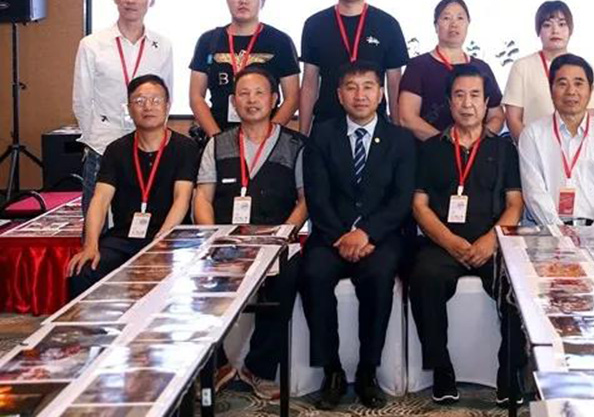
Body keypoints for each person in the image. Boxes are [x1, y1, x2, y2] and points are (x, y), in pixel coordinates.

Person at [409, 64, 528, 407]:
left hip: (492, 243)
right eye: (459, 95)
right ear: (449, 102)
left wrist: (491, 240)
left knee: (516, 286)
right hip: (443, 244)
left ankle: (509, 374)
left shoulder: (504, 150)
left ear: (487, 101)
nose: (467, 103)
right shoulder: (431, 149)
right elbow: (419, 206)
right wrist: (450, 241)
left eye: (475, 95)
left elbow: (515, 204)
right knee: (424, 278)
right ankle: (442, 370)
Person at [300, 61, 416, 409]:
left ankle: (368, 370)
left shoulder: (400, 139)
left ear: (381, 94)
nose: (360, 94)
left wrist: (366, 233)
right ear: (339, 95)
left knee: (379, 276)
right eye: (351, 87)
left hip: (381, 236)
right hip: (331, 234)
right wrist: (342, 236)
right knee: (313, 274)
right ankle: (332, 372)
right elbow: (317, 196)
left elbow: (401, 200)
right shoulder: (322, 135)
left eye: (368, 87)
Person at [192, 65, 307, 400]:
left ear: (274, 99)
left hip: (276, 240)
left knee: (287, 278)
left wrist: (284, 235)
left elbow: (305, 200)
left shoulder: (295, 144)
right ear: (233, 101)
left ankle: (260, 367)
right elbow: (203, 196)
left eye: (259, 93)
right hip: (226, 240)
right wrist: (213, 237)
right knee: (197, 279)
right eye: (243, 94)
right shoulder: (218, 144)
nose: (251, 100)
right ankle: (218, 365)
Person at [67, 75, 198, 296]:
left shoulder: (185, 147)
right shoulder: (116, 150)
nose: (148, 106)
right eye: (139, 101)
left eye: (156, 100)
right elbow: (100, 200)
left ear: (167, 106)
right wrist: (90, 245)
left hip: (170, 238)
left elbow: (182, 198)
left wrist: (159, 242)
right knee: (83, 271)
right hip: (125, 238)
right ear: (129, 108)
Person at [72, 0, 173, 217]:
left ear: (151, 0)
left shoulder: (162, 45)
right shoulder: (92, 45)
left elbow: (166, 97)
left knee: (145, 216)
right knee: (97, 220)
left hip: (147, 146)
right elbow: (82, 100)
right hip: (103, 144)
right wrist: (94, 137)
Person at [299, 0, 408, 135]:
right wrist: (302, 134)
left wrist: (397, 134)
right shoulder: (315, 24)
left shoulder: (388, 25)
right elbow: (309, 84)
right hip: (326, 126)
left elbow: (394, 85)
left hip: (374, 128)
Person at [189, 0, 300, 138]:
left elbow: (292, 98)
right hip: (218, 132)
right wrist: (217, 139)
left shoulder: (280, 41)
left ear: (263, 1)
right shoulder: (208, 40)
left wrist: (268, 137)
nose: (243, 0)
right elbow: (196, 96)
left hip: (266, 138)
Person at [519, 54, 594, 227]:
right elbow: (534, 193)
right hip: (548, 231)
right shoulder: (532, 134)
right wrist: (561, 232)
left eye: (578, 83)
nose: (571, 91)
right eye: (562, 84)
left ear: (591, 90)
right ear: (551, 89)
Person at [398, 0, 504, 140]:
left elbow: (497, 116)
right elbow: (407, 117)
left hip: (476, 151)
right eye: (446, 18)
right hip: (429, 149)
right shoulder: (418, 66)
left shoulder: (482, 68)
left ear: (468, 24)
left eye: (460, 18)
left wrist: (475, 142)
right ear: (436, 26)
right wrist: (446, 143)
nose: (454, 24)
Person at [502, 0, 594, 141]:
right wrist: (530, 148)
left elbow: (592, 116)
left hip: (578, 150)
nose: (555, 31)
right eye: (547, 25)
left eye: (562, 24)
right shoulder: (522, 67)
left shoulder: (585, 68)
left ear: (570, 30)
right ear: (538, 31)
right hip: (534, 148)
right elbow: (513, 119)